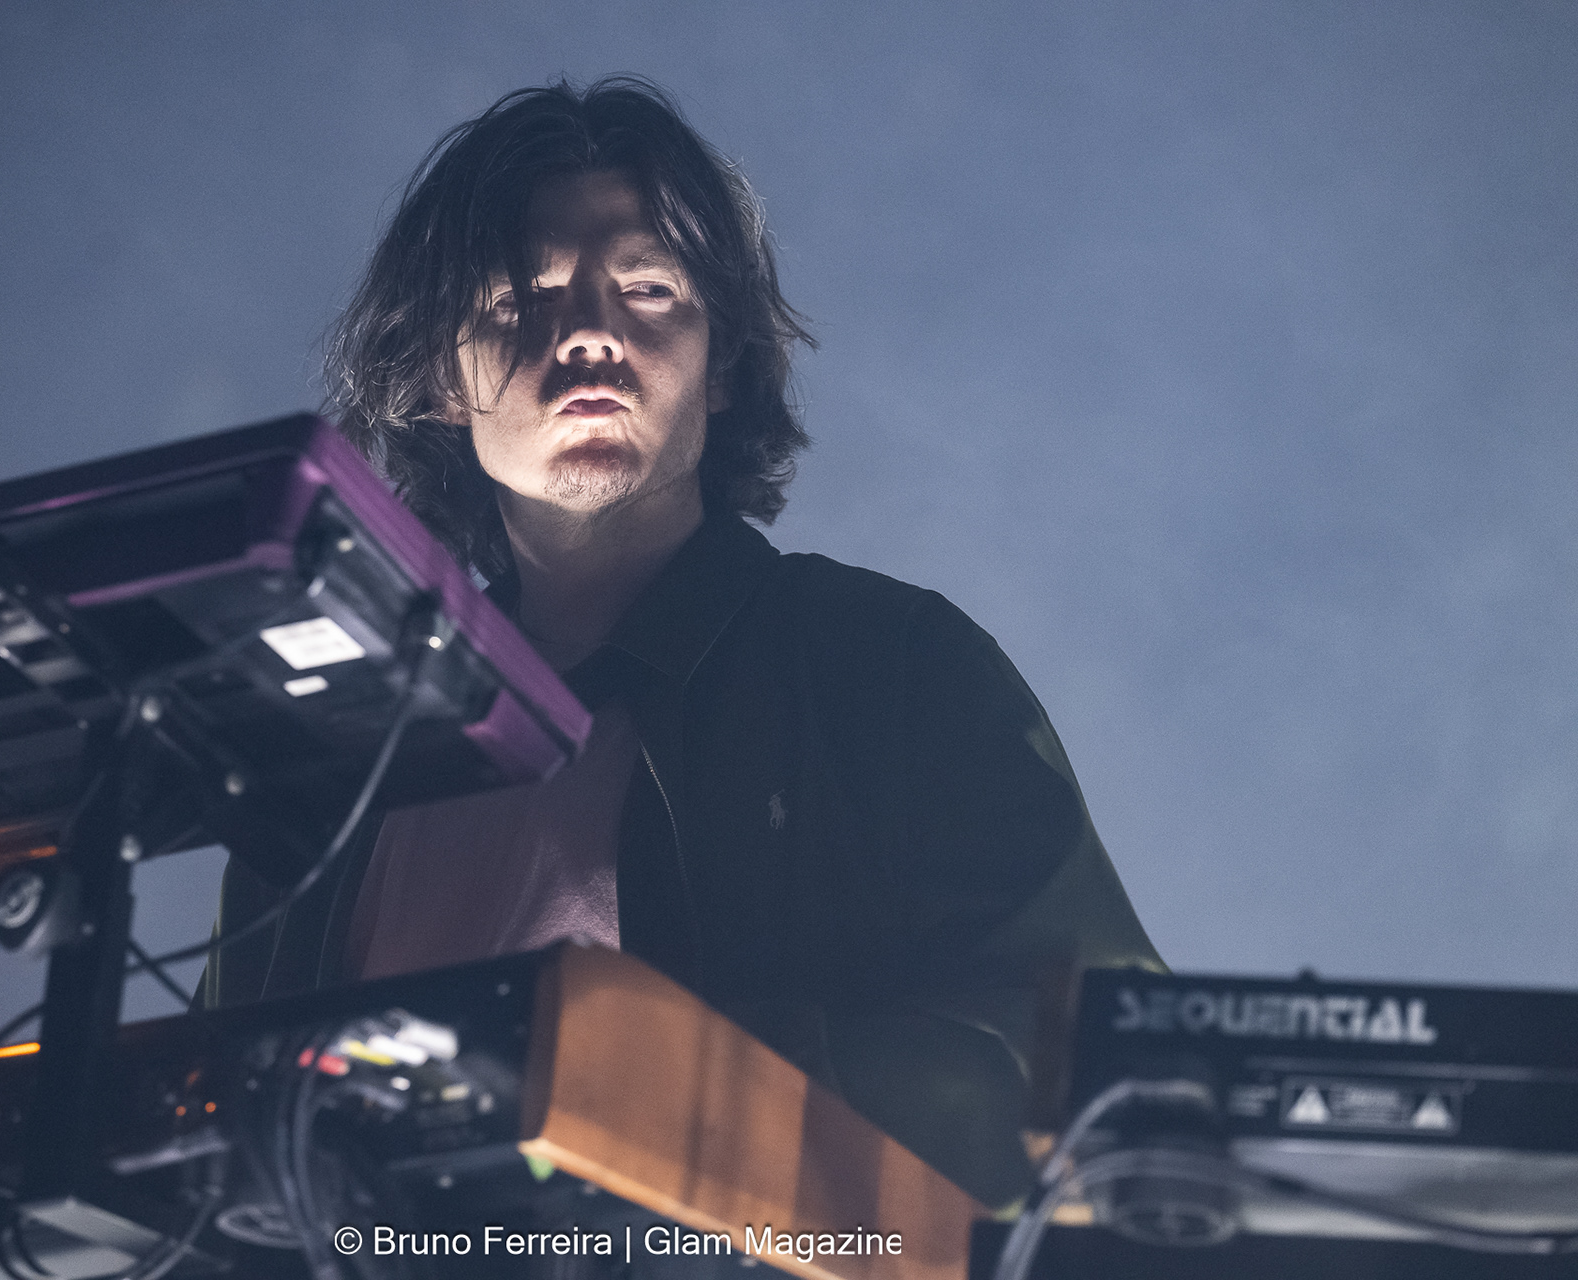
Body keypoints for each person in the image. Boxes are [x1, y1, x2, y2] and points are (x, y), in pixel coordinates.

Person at [204, 76, 1162, 1209]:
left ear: (723, 362)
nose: (589, 335)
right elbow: (211, 1149)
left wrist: (675, 1088)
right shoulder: (338, 751)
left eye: (649, 289)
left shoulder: (893, 667)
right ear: (437, 381)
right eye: (521, 299)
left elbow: (1095, 1069)